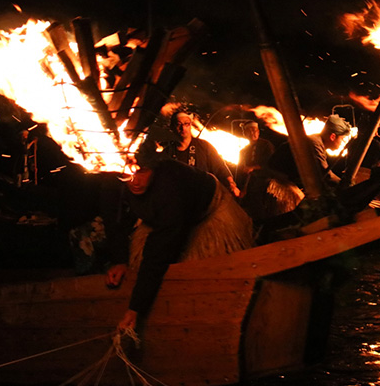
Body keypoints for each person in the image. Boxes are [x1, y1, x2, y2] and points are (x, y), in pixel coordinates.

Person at [107, 151, 253, 331]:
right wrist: (120, 259)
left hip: (211, 211)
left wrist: (135, 308)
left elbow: (158, 253)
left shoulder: (170, 189)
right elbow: (116, 219)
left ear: (154, 169)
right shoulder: (115, 178)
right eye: (128, 173)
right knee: (140, 265)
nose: (134, 181)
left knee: (206, 278)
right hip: (164, 217)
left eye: (142, 172)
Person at [162, 110, 240, 197]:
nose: (183, 128)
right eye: (178, 124)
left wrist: (231, 183)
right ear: (172, 127)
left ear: (190, 125)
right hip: (179, 198)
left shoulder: (203, 146)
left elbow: (219, 166)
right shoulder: (168, 152)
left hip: (204, 195)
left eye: (186, 124)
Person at [269, 113, 352, 189]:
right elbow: (324, 173)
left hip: (282, 179)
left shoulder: (316, 142)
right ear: (333, 137)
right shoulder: (314, 143)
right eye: (342, 139)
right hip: (275, 182)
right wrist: (344, 184)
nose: (343, 143)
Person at [236, 120, 274, 187]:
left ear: (258, 132)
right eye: (248, 131)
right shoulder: (243, 151)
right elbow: (239, 170)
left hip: (265, 180)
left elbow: (271, 163)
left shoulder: (266, 145)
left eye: (254, 130)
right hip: (249, 183)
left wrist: (253, 168)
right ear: (244, 133)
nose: (251, 133)